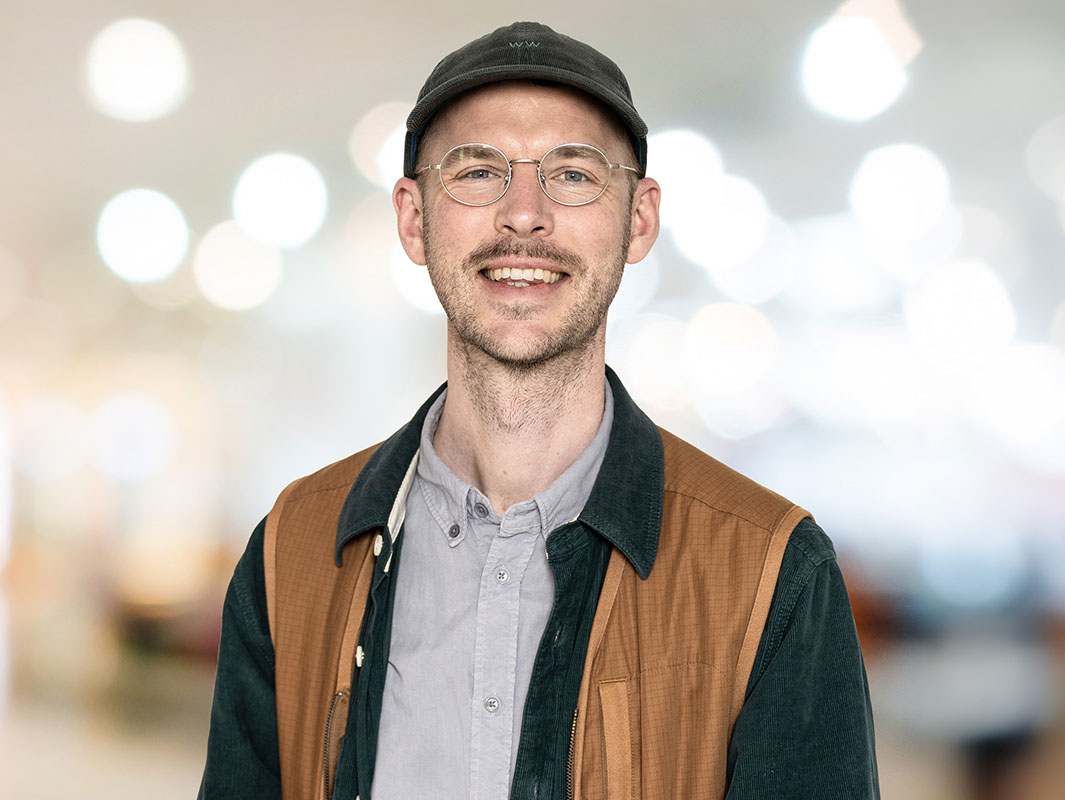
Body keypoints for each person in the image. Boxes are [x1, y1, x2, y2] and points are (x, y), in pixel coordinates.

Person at [199, 21, 879, 800]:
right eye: (478, 172)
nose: (524, 215)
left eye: (574, 175)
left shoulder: (772, 572)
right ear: (414, 219)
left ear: (639, 218)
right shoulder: (295, 550)